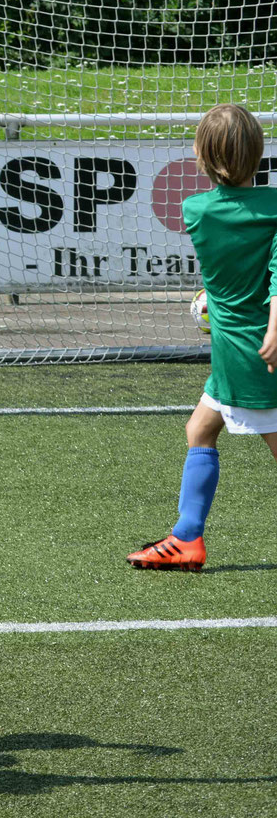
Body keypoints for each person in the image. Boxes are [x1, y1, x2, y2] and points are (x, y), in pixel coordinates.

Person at [128, 104, 277, 573]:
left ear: (202, 156)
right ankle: (187, 538)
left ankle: (188, 536)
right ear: (259, 152)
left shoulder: (195, 211)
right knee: (200, 429)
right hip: (255, 345)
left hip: (246, 350)